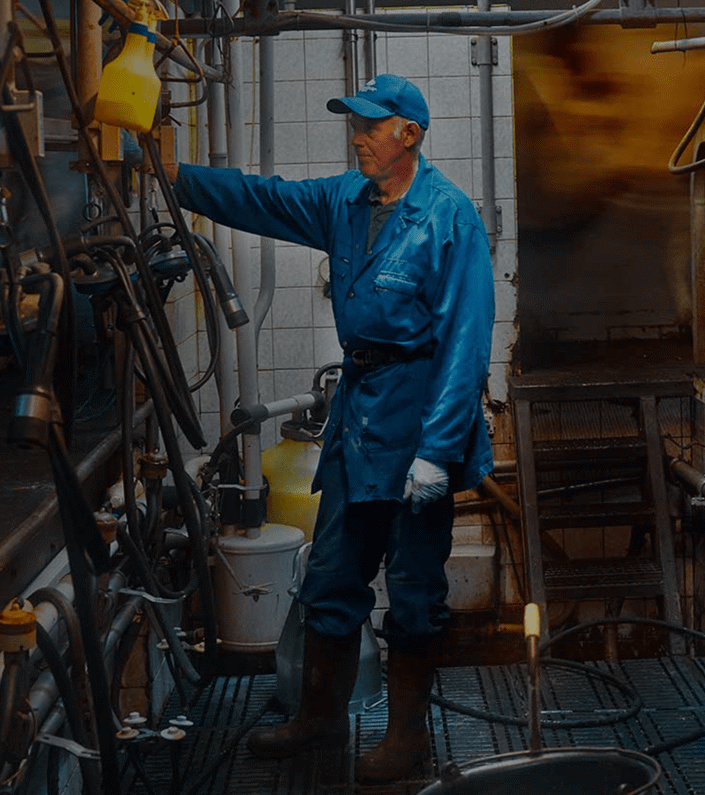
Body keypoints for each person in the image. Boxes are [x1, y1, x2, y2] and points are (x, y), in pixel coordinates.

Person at [169, 74, 495, 783]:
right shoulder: (343, 202)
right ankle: (319, 718)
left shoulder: (448, 217)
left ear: (408, 132)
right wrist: (175, 174)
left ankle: (407, 739)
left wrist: (437, 453)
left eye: (372, 124)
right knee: (332, 574)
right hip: (359, 420)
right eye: (355, 122)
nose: (358, 136)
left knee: (412, 589)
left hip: (419, 418)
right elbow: (264, 199)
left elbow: (466, 347)